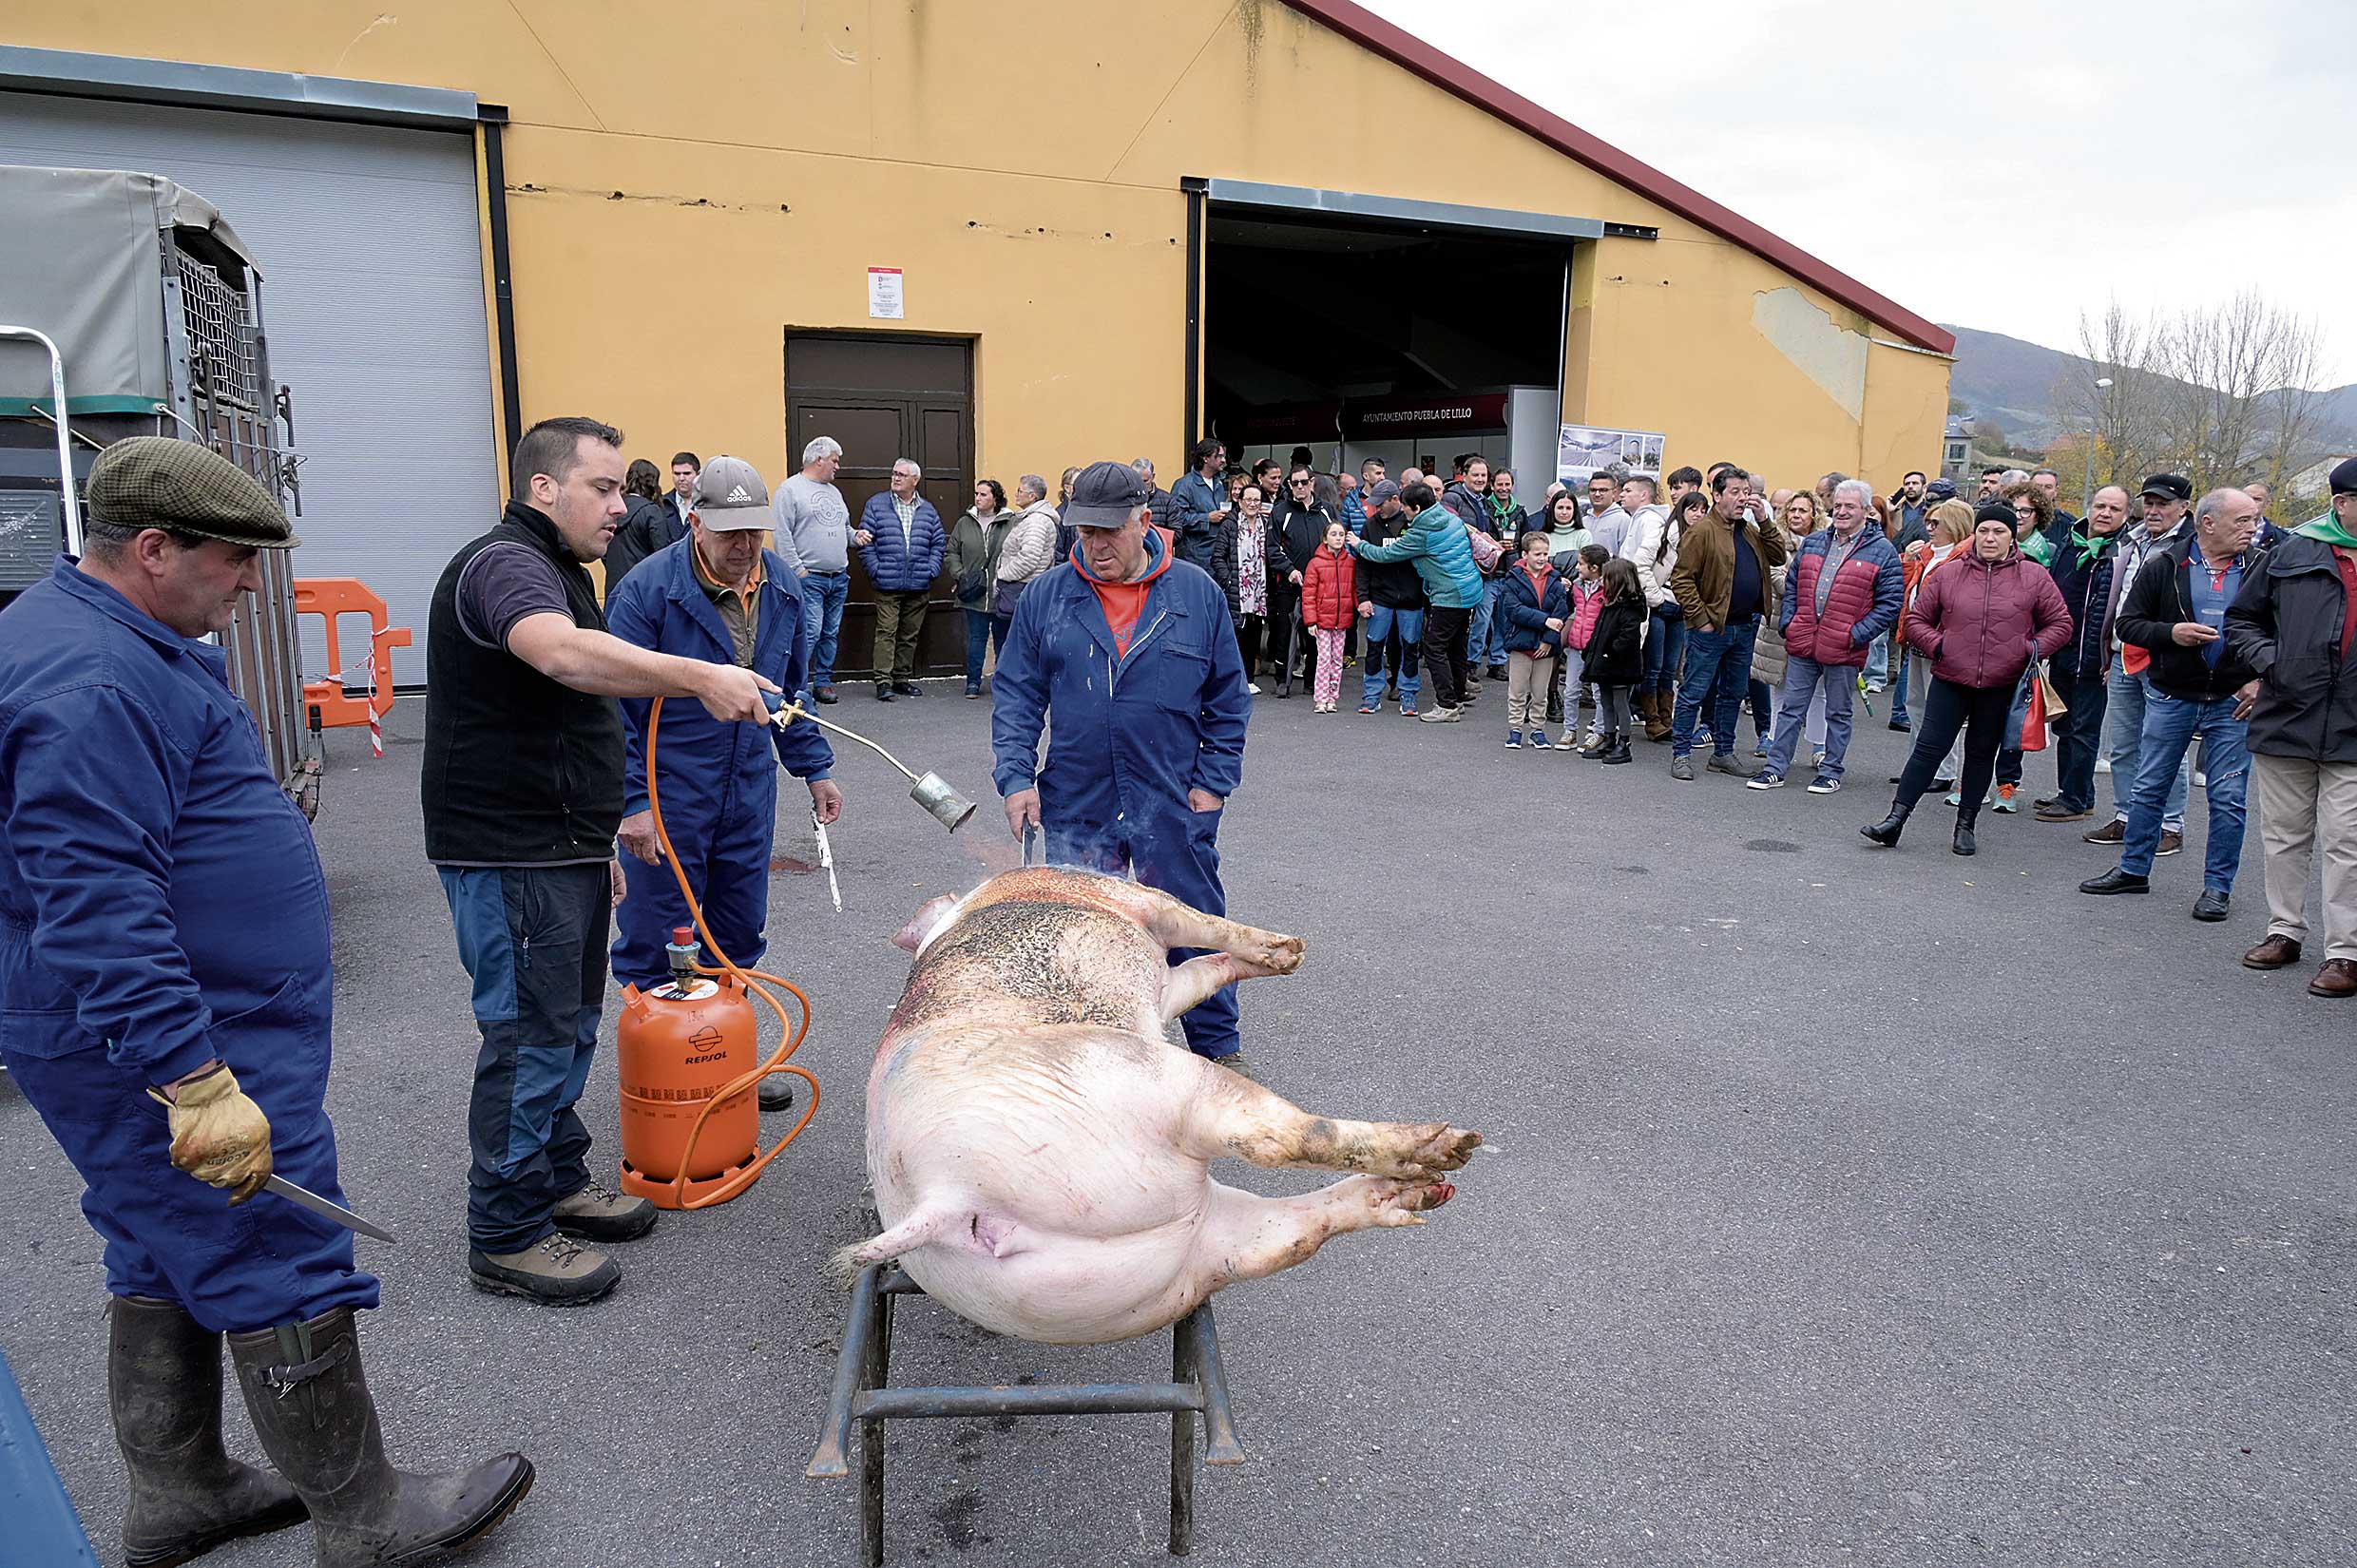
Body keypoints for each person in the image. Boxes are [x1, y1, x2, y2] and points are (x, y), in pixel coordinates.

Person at [0, 438, 533, 1567]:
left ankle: (183, 1491)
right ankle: (364, 1515)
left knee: (158, 1243)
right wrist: (192, 1081)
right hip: (178, 1037)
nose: (251, 583)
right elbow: (94, 897)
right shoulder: (97, 679)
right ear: (154, 549)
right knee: (273, 1240)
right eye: (236, 561)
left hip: (165, 1023)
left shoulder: (115, 636)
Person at [424, 416, 775, 1305]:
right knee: (530, 1034)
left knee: (569, 1023)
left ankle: (555, 1178)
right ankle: (504, 1232)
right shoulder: (505, 565)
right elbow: (562, 658)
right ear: (545, 488)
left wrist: (598, 834)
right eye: (605, 488)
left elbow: (577, 713)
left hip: (559, 847)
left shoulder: (562, 572)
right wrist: (698, 675)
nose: (624, 506)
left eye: (623, 489)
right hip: (508, 852)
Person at [992, 461, 1254, 1068]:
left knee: (1190, 918)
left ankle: (1215, 1048)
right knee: (1083, 926)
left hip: (1171, 791)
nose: (1096, 544)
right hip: (1077, 792)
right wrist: (1016, 777)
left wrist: (1213, 783)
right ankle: (1094, 1047)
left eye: (1109, 531)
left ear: (1144, 520)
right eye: (1084, 532)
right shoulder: (1048, 595)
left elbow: (1228, 698)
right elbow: (1017, 694)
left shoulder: (1195, 593)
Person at [605, 457, 841, 1111]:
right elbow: (611, 708)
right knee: (659, 937)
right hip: (667, 786)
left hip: (746, 786)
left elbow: (788, 694)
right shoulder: (648, 591)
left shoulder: (784, 588)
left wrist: (812, 765)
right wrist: (632, 804)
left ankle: (729, 1062)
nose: (743, 548)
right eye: (730, 532)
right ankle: (665, 1082)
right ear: (696, 519)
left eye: (755, 533)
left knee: (736, 934)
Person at [2080, 488, 2262, 918]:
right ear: (2208, 523)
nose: (2252, 529)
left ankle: (2218, 888)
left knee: (2229, 796)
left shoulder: (2261, 568)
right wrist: (2171, 634)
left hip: (2232, 702)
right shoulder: (2166, 565)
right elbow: (2128, 624)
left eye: (2254, 520)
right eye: (2243, 521)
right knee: (2149, 787)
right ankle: (2133, 870)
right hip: (2171, 696)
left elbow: (2282, 629)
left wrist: (2261, 678)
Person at [1863, 504, 2072, 855]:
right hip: (1951, 677)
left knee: (1980, 754)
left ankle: (1965, 825)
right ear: (1975, 533)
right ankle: (1895, 820)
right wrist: (1939, 645)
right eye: (1985, 531)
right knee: (1927, 750)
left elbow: (2061, 624)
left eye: (1999, 532)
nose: (1990, 538)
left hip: (2001, 683)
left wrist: (2029, 649)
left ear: (2011, 537)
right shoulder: (1950, 573)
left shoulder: (2033, 576)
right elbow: (1916, 620)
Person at [2225, 457, 2357, 996]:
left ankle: (2345, 953)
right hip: (2289, 713)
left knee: (2347, 840)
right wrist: (2271, 663)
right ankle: (2284, 930)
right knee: (2284, 835)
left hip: (2352, 720)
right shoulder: (2292, 550)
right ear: (2341, 503)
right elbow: (2242, 619)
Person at [1750, 480, 1903, 794]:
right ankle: (1776, 768)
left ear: (1865, 511)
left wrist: (1856, 634)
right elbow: (1792, 586)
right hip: (1803, 640)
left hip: (1844, 646)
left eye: (1850, 506)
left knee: (1838, 712)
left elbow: (1890, 603)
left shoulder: (1882, 551)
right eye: (1838, 505)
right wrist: (1791, 623)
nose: (1842, 511)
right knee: (1791, 709)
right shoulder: (1815, 542)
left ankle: (1831, 770)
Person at [2087, 475, 2196, 853]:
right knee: (2123, 744)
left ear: (2184, 507)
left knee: (2167, 746)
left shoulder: (2191, 547)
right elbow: (2116, 600)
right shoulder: (2131, 540)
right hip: (2121, 655)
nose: (2153, 510)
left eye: (2163, 504)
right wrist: (2106, 650)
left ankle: (2170, 825)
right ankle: (2127, 816)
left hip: (2165, 659)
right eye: (2148, 503)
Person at [1667, 468, 1787, 780]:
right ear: (1717, 495)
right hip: (1712, 629)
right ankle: (1681, 754)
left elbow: (1777, 556)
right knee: (1694, 692)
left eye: (1746, 491)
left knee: (1732, 693)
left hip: (1745, 626)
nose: (1743, 497)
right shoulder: (1702, 531)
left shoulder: (1748, 529)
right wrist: (1702, 619)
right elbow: (1681, 579)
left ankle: (1722, 753)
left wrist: (1764, 520)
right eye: (1735, 491)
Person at [1348, 479, 1482, 721]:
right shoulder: (1449, 516)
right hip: (1469, 589)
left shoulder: (1421, 532)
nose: (1406, 512)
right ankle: (1457, 697)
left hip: (1450, 594)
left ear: (1416, 508)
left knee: (1433, 647)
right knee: (1455, 646)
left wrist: (1360, 545)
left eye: (1407, 507)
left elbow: (1386, 554)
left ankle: (1447, 705)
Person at [2035, 485, 2132, 822]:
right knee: (2064, 723)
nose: (2105, 513)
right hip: (2063, 650)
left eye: (2114, 509)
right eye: (2100, 505)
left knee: (2084, 729)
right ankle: (2074, 792)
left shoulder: (2122, 553)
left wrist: (2109, 655)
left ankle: (2075, 799)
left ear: (2125, 516)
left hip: (2094, 657)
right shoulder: (2070, 543)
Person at [771, 434, 853, 704]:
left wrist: (855, 537)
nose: (837, 466)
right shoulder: (790, 490)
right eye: (834, 460)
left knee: (830, 633)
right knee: (810, 632)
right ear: (818, 459)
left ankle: (823, 683)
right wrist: (797, 570)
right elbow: (781, 535)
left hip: (838, 577)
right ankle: (795, 685)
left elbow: (843, 529)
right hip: (810, 578)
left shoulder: (834, 492)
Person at [858, 457, 946, 701]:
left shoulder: (927, 509)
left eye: (901, 475)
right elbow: (866, 542)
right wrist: (875, 569)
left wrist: (931, 569)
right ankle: (883, 682)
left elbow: (938, 543)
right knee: (886, 632)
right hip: (887, 582)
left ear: (915, 480)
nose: (895, 478)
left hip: (918, 582)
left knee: (909, 634)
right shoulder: (876, 504)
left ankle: (901, 679)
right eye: (894, 473)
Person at [1625, 488, 1699, 740]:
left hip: (1682, 609)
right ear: (1682, 511)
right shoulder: (1663, 536)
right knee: (1654, 666)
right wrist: (1656, 599)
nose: (1697, 514)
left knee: (1670, 668)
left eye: (1702, 510)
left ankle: (1667, 718)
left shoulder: (1701, 540)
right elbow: (1639, 565)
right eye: (1693, 509)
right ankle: (1652, 719)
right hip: (1657, 607)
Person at [1266, 465, 1339, 698]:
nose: (1300, 487)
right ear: (1289, 485)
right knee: (1284, 633)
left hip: (1319, 584)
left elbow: (1335, 542)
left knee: (1315, 634)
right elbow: (1272, 548)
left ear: (1312, 483)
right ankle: (1282, 680)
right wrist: (1290, 570)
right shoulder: (1280, 511)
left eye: (1304, 482)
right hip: (1289, 583)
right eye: (1295, 483)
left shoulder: (1327, 510)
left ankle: (1311, 680)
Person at [1353, 479, 1425, 715]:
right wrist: (1363, 597)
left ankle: (1408, 695)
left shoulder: (1413, 523)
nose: (1376, 508)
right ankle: (1371, 696)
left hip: (1411, 598)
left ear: (1395, 499)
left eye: (1380, 504)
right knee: (1374, 647)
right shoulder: (1370, 526)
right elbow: (1362, 565)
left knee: (1410, 647)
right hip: (1380, 597)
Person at [1498, 530, 1570, 749]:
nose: (1542, 558)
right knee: (1517, 691)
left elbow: (1561, 612)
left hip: (1545, 647)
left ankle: (1538, 730)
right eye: (1537, 553)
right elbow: (1513, 610)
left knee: (1540, 692)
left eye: (1545, 554)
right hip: (1520, 644)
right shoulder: (1513, 579)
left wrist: (1548, 639)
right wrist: (1545, 621)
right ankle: (1515, 729)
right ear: (1525, 554)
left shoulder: (1555, 581)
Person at [947, 477, 1016, 698]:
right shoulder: (964, 522)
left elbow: (1019, 551)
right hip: (974, 592)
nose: (978, 498)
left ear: (995, 498)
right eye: (977, 494)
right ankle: (973, 682)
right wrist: (960, 575)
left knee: (1003, 639)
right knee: (976, 638)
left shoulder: (1010, 522)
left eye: (983, 494)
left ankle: (1002, 683)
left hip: (1001, 591)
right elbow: (952, 552)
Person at [1578, 556, 1647, 763]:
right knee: (1606, 702)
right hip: (1604, 665)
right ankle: (1609, 737)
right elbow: (1599, 631)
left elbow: (1627, 639)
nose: (1602, 582)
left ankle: (1624, 743)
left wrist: (1608, 654)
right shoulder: (1610, 605)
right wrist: (1591, 651)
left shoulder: (1631, 608)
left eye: (1606, 578)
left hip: (1619, 666)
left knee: (1620, 703)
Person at [1298, 519, 1358, 713]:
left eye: (1341, 535)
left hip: (1342, 620)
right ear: (1325, 538)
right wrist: (1311, 620)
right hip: (1323, 621)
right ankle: (1321, 698)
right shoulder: (1315, 563)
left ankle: (1333, 697)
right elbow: (1308, 594)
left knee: (1337, 660)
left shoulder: (1350, 562)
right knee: (1324, 659)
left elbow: (1355, 590)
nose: (1338, 538)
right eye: (1333, 534)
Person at [992, 473, 1063, 632]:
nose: (1016, 494)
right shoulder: (1032, 518)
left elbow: (1029, 559)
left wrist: (1003, 575)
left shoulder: (1036, 521)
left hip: (1022, 589)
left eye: (1020, 491)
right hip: (1025, 588)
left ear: (1032, 496)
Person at [602, 457, 679, 591]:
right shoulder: (651, 512)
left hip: (614, 587)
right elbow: (663, 555)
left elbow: (603, 552)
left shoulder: (612, 509)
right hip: (644, 589)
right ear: (652, 483)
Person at [1561, 544, 1610, 748]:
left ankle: (1599, 731)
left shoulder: (1607, 588)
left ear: (1594, 567)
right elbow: (1570, 608)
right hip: (1576, 644)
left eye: (1581, 564)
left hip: (1596, 647)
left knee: (1599, 693)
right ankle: (1569, 730)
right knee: (1571, 690)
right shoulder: (1576, 586)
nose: (1577, 568)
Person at [1170, 437, 1233, 576]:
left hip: (1218, 554)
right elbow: (1177, 519)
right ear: (1205, 458)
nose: (1224, 460)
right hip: (1194, 557)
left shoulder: (1222, 482)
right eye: (1219, 456)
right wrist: (1207, 518)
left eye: (1224, 456)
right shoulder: (1184, 485)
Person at [1232, 481, 1271, 689]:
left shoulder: (1267, 523)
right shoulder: (1231, 524)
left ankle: (1249, 679)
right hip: (1238, 588)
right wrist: (1228, 579)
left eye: (1257, 500)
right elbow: (1219, 556)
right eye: (1249, 499)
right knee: (1238, 635)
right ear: (1240, 501)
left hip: (1259, 590)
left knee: (1254, 635)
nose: (1253, 503)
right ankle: (1235, 680)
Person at [661, 450, 700, 528]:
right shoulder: (662, 504)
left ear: (698, 474)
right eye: (677, 474)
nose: (681, 478)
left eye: (687, 473)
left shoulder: (707, 502)